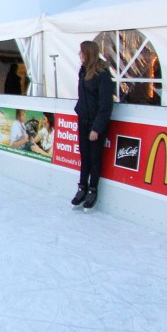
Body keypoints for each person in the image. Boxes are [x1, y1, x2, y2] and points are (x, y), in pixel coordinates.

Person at [73, 40, 115, 210]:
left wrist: (97, 128)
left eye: (81, 52)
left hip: (96, 124)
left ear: (88, 53)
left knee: (95, 158)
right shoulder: (83, 72)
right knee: (85, 157)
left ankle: (93, 190)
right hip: (83, 121)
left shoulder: (103, 75)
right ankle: (81, 187)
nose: (79, 54)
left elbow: (106, 105)